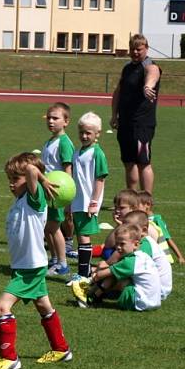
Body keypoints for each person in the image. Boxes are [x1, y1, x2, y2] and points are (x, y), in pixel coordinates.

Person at [0, 152, 72, 369]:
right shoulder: (20, 202)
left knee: (2, 306)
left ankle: (9, 358)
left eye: (16, 179)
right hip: (25, 266)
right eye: (9, 180)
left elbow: (33, 170)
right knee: (44, 306)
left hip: (30, 268)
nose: (11, 185)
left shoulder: (35, 199)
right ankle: (61, 349)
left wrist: (42, 179)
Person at [110, 34, 161, 193]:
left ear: (146, 48)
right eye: (132, 49)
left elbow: (153, 74)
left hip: (142, 125)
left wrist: (148, 87)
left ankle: (146, 201)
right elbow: (118, 92)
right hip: (125, 123)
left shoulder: (150, 66)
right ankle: (131, 198)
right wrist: (114, 115)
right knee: (128, 162)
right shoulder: (127, 68)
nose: (135, 52)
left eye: (139, 49)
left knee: (143, 162)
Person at [80, 224, 161, 312]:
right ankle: (96, 296)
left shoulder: (130, 262)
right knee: (117, 272)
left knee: (113, 275)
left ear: (136, 244)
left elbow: (100, 275)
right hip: (154, 302)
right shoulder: (144, 256)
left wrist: (86, 280)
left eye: (122, 244)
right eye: (117, 244)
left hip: (140, 302)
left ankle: (92, 296)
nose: (118, 247)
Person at [68, 112, 108, 285]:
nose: (84, 136)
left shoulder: (97, 153)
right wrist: (70, 201)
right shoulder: (77, 152)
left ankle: (83, 275)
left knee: (84, 236)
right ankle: (85, 271)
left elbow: (100, 178)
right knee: (80, 236)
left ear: (97, 133)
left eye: (88, 133)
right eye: (82, 132)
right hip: (77, 201)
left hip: (87, 203)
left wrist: (94, 202)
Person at [40, 102, 75, 276]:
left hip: (58, 193)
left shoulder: (64, 143)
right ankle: (54, 259)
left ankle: (62, 263)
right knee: (47, 227)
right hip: (48, 191)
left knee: (54, 227)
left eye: (56, 118)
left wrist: (67, 198)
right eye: (49, 118)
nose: (51, 121)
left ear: (66, 121)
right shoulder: (49, 141)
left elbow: (68, 169)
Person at [137, 190, 185, 264]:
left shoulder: (156, 220)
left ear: (147, 204)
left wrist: (180, 257)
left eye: (136, 206)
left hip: (160, 258)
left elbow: (167, 238)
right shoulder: (140, 219)